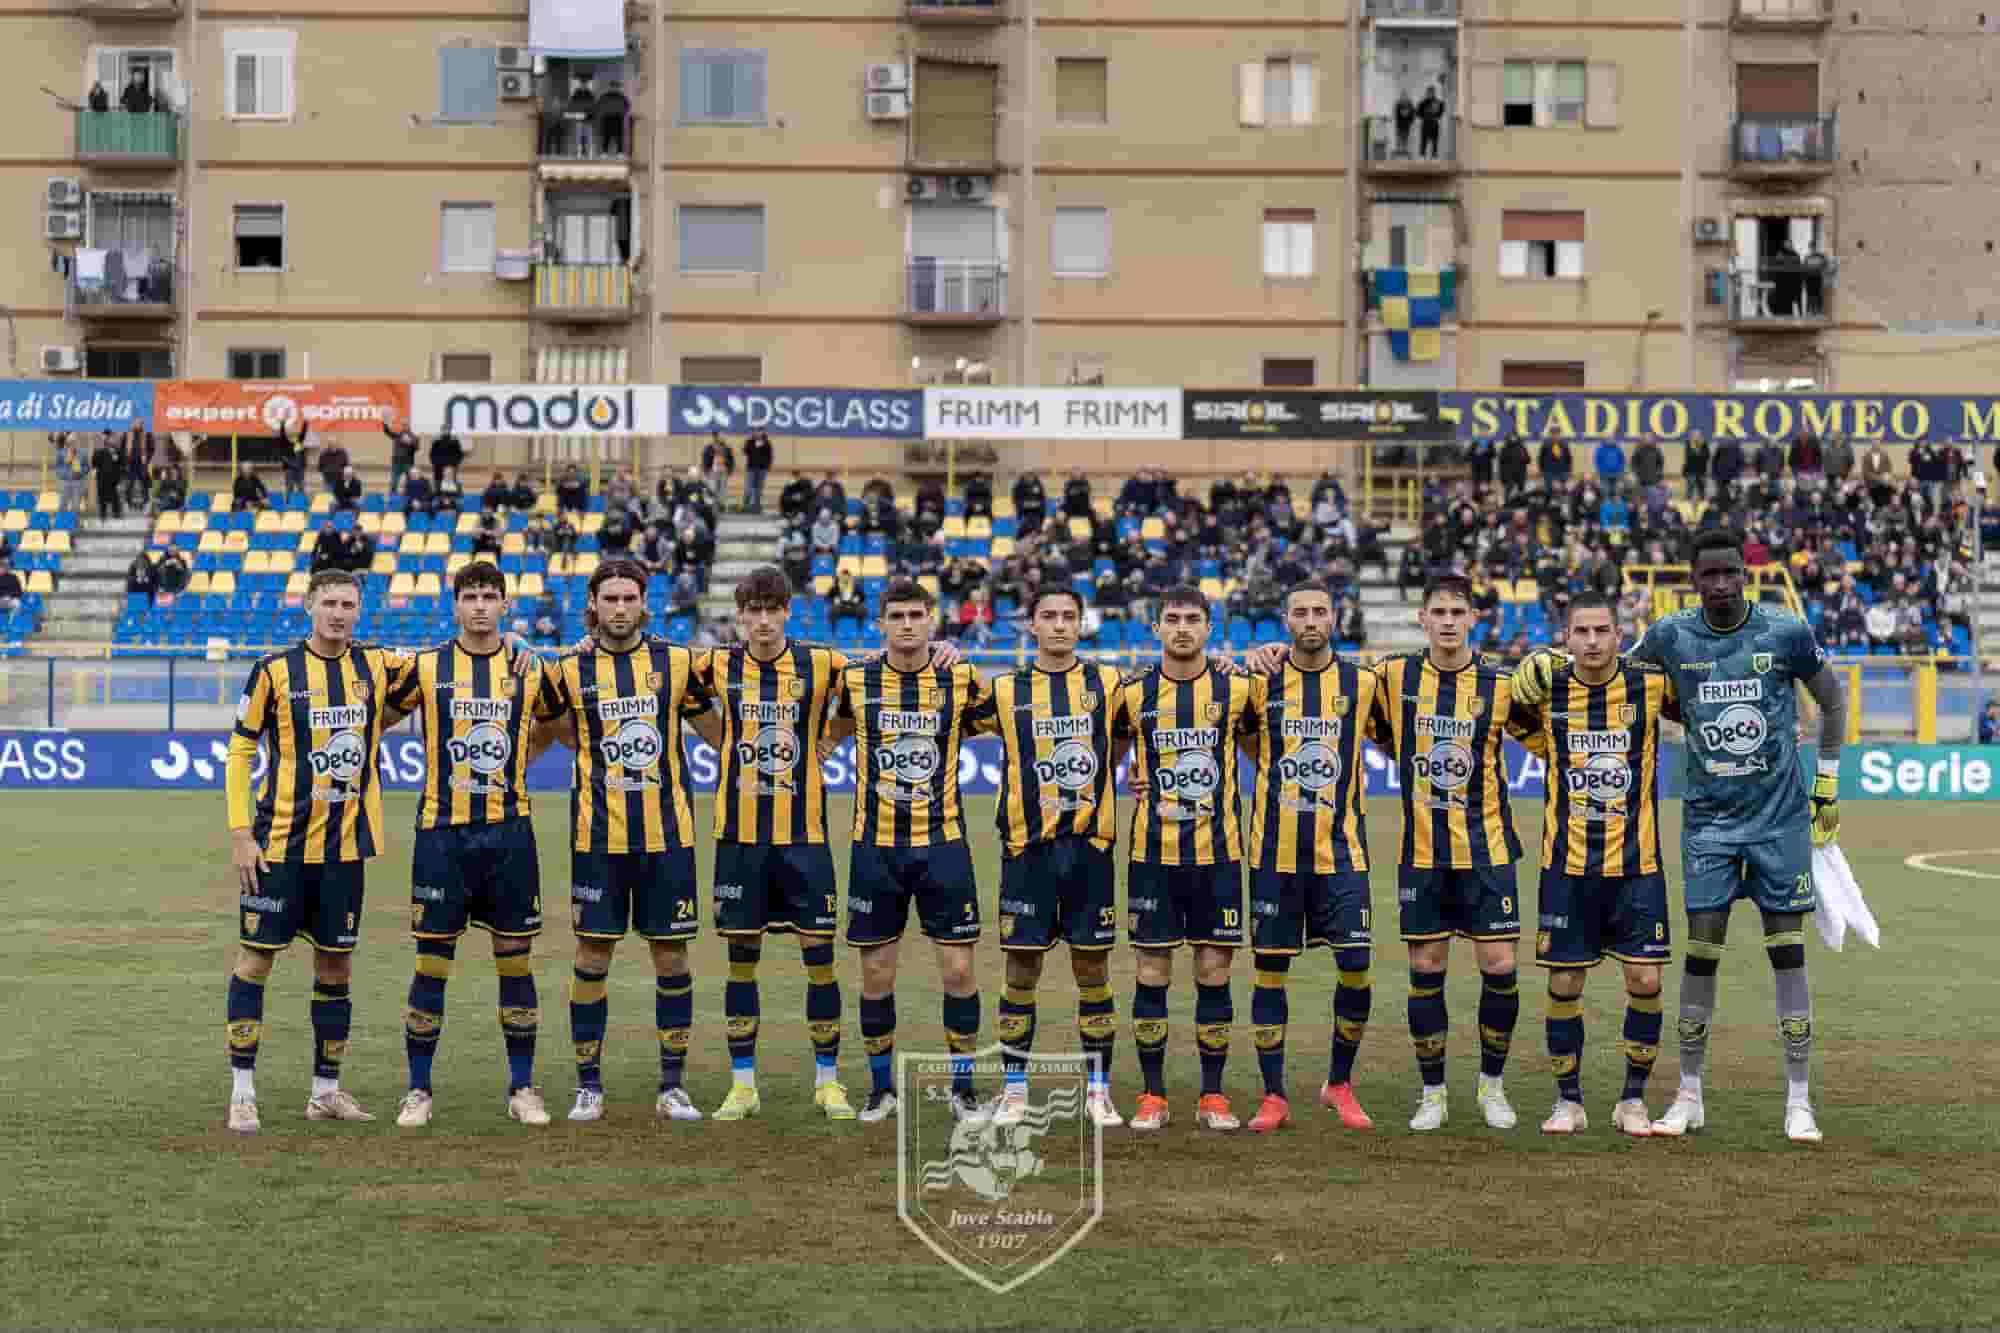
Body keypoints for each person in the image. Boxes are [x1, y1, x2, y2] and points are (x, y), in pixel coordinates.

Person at [1514, 527, 1846, 1143]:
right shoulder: (1668, 636)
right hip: (1708, 827)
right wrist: (1549, 665)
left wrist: (1826, 786)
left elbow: (1834, 699)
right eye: (1708, 575)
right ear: (1692, 581)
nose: (1720, 585)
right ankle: (1688, 1093)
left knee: (1787, 954)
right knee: (1699, 957)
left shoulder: (1785, 630)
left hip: (1779, 823)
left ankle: (1800, 1100)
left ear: (1743, 575)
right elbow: (1607, 670)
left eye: (1729, 573)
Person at [1324, 575, 1540, 1130]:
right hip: (1422, 853)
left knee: (1500, 965)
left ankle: (1492, 1085)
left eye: (1457, 611)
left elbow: (1546, 737)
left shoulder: (1500, 682)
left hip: (1488, 851)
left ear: (1474, 619)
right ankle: (1433, 1092)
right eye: (1437, 610)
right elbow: (1337, 690)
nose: (1447, 620)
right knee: (1427, 968)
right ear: (1422, 619)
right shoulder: (1395, 676)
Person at [219, 569, 421, 1134]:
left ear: (360, 610)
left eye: (348, 604)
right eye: (328, 602)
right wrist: (241, 833)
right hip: (277, 848)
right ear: (309, 606)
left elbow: (447, 666)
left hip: (344, 852)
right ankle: (242, 1091)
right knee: (256, 961)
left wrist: (530, 651)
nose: (338, 612)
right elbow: (239, 752)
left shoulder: (377, 667)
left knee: (336, 966)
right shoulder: (275, 672)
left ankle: (325, 1091)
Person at [529, 560, 722, 1123]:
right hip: (597, 839)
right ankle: (588, 1085)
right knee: (592, 954)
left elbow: (717, 727)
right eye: (609, 598)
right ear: (593, 603)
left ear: (644, 603)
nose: (619, 607)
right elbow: (546, 730)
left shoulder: (679, 663)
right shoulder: (566, 668)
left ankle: (672, 1086)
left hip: (668, 838)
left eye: (628, 598)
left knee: (672, 956)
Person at [383, 561, 555, 1129]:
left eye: (490, 596)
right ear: (455, 605)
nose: (481, 606)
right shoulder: (427, 668)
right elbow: (372, 718)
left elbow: (563, 718)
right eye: (471, 596)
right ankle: (418, 1090)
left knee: (516, 963)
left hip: (510, 836)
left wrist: (523, 760)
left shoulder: (530, 669)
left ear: (506, 605)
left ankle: (523, 1087)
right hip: (442, 837)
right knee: (432, 965)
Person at [818, 581, 991, 1123]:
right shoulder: (857, 679)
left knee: (960, 973)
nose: (908, 624)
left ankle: (963, 1091)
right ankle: (881, 1090)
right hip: (876, 851)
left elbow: (1010, 725)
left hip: (944, 847)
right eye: (897, 615)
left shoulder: (959, 677)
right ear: (881, 623)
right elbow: (829, 733)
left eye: (918, 614)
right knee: (876, 977)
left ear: (932, 620)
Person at [960, 586, 1130, 1130]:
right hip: (1027, 852)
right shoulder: (1006, 690)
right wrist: (944, 656)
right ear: (1031, 625)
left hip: (1089, 851)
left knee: (1092, 969)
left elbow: (1148, 721)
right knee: (1021, 969)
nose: (1059, 625)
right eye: (1048, 617)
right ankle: (1014, 1091)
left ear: (1081, 624)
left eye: (1068, 617)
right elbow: (942, 716)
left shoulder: (1109, 683)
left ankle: (1098, 1089)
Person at [1218, 580, 1383, 1133]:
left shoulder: (1363, 683)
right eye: (1300, 612)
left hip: (1344, 855)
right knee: (1270, 972)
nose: (1311, 620)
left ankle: (1339, 1083)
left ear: (1334, 618)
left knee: (1356, 969)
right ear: (1285, 621)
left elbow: (1399, 736)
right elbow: (1226, 732)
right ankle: (1274, 1094)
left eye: (1320, 611)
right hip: (1275, 854)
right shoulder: (1260, 684)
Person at [1509, 592, 1675, 1137]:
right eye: (1581, 631)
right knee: (1564, 985)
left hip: (1637, 865)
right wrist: (1518, 675)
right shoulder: (1548, 687)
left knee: (1646, 979)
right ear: (1565, 637)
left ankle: (1632, 1099)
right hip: (1567, 866)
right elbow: (1496, 706)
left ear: (1619, 633)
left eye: (1602, 630)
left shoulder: (1650, 683)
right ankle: (1568, 1100)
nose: (1593, 641)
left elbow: (1705, 700)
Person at [1109, 587, 1258, 1133]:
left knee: (1214, 970)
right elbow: (1110, 761)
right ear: (1155, 628)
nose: (1182, 629)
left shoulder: (1237, 689)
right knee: (1152, 972)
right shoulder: (1132, 692)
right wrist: (1126, 775)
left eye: (1193, 620)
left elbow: (1265, 753)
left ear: (1209, 628)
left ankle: (1213, 1096)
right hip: (1152, 854)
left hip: (1219, 855)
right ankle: (1153, 1095)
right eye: (1171, 619)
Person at [384, 414, 420, 499]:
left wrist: (410, 442)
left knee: (410, 482)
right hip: (396, 462)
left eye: (405, 424)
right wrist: (385, 423)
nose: (404, 426)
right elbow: (387, 431)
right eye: (402, 425)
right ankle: (392, 499)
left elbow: (417, 447)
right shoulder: (397, 435)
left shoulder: (414, 437)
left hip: (408, 463)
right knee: (394, 482)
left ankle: (409, 499)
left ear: (409, 425)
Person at [91, 433, 124, 520]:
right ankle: (103, 514)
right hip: (102, 477)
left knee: (115, 496)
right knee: (102, 497)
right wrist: (94, 471)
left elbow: (122, 462)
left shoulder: (117, 450)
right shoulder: (98, 449)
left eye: (112, 439)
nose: (110, 440)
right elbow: (94, 462)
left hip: (114, 477)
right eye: (108, 439)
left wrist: (116, 457)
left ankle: (116, 513)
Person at [743, 430, 773, 514]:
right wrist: (751, 442)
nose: (758, 434)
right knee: (748, 487)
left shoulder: (767, 443)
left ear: (763, 433)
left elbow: (770, 456)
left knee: (759, 489)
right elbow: (745, 451)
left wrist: (767, 467)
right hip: (751, 468)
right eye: (756, 432)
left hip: (762, 469)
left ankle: (757, 507)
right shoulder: (750, 441)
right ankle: (746, 506)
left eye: (760, 432)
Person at [277, 416, 308, 494]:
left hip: (299, 469)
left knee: (301, 486)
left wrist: (305, 423)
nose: (293, 436)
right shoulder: (285, 443)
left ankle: (301, 502)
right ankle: (289, 503)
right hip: (289, 469)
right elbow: (282, 435)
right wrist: (282, 424)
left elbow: (303, 433)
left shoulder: (299, 442)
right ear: (288, 436)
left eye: (294, 435)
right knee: (289, 487)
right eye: (291, 435)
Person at [1417, 84, 1446, 159]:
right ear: (1427, 93)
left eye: (1432, 92)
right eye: (1429, 92)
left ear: (1434, 92)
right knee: (1423, 141)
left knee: (1435, 142)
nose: (1430, 93)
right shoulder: (1422, 102)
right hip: (1425, 124)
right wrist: (1425, 115)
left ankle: (1434, 156)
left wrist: (1436, 115)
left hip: (1434, 124)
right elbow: (1418, 113)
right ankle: (1422, 156)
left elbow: (1441, 112)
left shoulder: (1438, 102)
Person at [1392, 91, 1417, 156]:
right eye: (1402, 96)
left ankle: (1405, 151)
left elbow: (1413, 114)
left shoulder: (1410, 104)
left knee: (1406, 138)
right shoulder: (1398, 104)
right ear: (1401, 96)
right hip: (1399, 125)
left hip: (1407, 125)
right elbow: (1395, 114)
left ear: (1407, 96)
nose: (1404, 97)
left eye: (1405, 96)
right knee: (1399, 138)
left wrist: (1411, 121)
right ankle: (1399, 150)